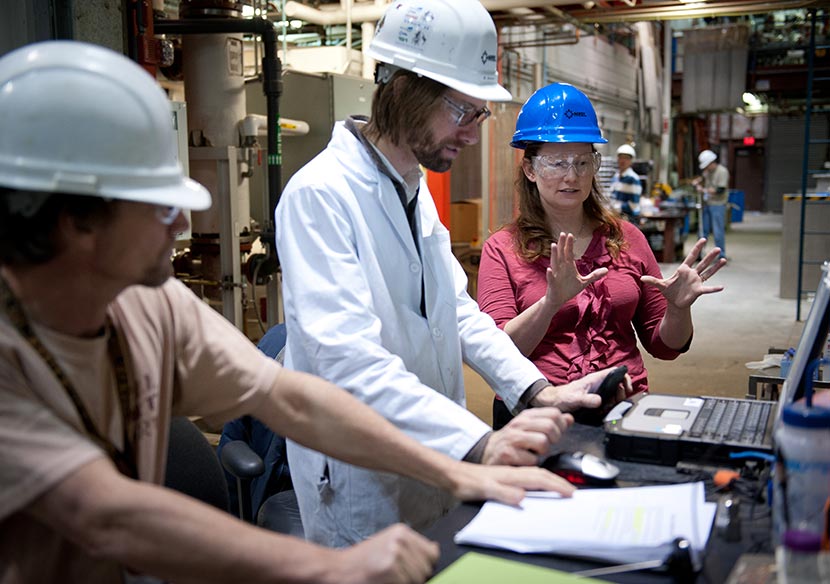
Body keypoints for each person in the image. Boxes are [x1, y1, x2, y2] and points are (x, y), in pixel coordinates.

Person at [0, 40, 574, 584]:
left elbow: (286, 395)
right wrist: (325, 567)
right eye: (156, 204)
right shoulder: (11, 355)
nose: (180, 226)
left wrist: (461, 466)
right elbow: (105, 514)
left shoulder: (152, 306)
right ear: (74, 219)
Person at [274, 0, 618, 548]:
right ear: (405, 90)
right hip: (363, 475)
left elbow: (459, 313)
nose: (474, 134)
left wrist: (537, 391)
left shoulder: (411, 188)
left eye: (479, 115)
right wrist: (479, 444)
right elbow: (350, 362)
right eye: (464, 112)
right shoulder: (321, 196)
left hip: (435, 455)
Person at [476, 83, 727, 430]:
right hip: (537, 415)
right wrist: (550, 303)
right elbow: (499, 355)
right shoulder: (503, 248)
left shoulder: (627, 240)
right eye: (556, 163)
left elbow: (665, 346)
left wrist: (678, 308)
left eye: (583, 162)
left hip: (624, 406)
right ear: (531, 169)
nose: (571, 175)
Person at [695, 149, 730, 261]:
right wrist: (697, 181)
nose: (706, 169)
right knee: (703, 230)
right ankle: (698, 254)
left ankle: (721, 255)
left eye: (707, 166)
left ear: (711, 162)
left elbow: (720, 189)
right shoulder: (707, 172)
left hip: (718, 204)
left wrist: (703, 190)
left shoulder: (722, 172)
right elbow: (703, 177)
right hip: (708, 204)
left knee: (717, 230)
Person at [609, 144, 643, 220]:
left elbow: (633, 205)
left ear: (631, 161)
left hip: (628, 219)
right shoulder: (616, 177)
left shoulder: (633, 179)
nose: (623, 161)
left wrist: (616, 208)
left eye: (626, 158)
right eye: (621, 157)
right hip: (616, 217)